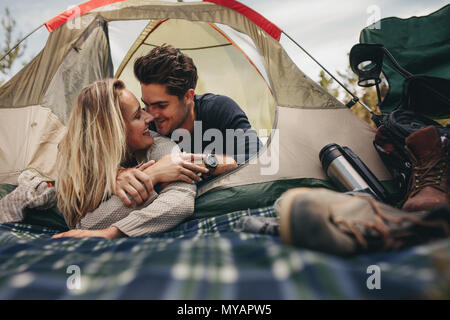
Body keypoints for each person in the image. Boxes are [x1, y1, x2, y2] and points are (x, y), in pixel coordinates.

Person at [0, 79, 234, 238]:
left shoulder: (158, 145)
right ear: (113, 131)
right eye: (137, 115)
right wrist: (151, 176)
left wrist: (111, 232)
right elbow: (84, 224)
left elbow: (181, 200)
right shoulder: (75, 161)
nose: (149, 118)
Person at [115, 44, 260, 207]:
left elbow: (257, 160)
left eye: (161, 105)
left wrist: (195, 164)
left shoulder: (219, 109)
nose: (149, 115)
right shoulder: (144, 128)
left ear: (188, 96)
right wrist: (118, 174)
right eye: (146, 104)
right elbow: (105, 160)